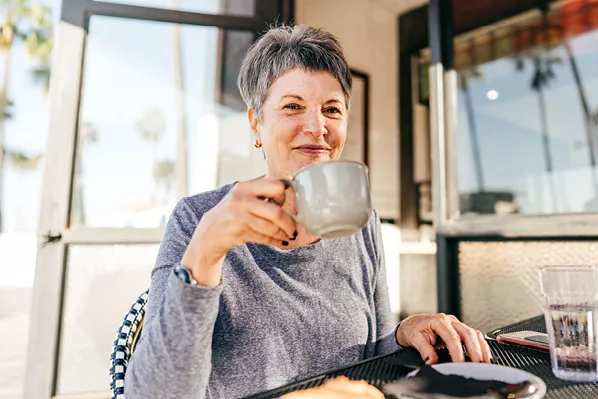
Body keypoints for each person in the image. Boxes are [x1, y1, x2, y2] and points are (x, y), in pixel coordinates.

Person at [125, 24, 492, 399]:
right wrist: (204, 254)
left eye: (332, 109)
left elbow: (372, 360)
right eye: (293, 107)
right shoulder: (197, 219)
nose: (317, 127)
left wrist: (404, 331)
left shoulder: (361, 223)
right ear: (256, 123)